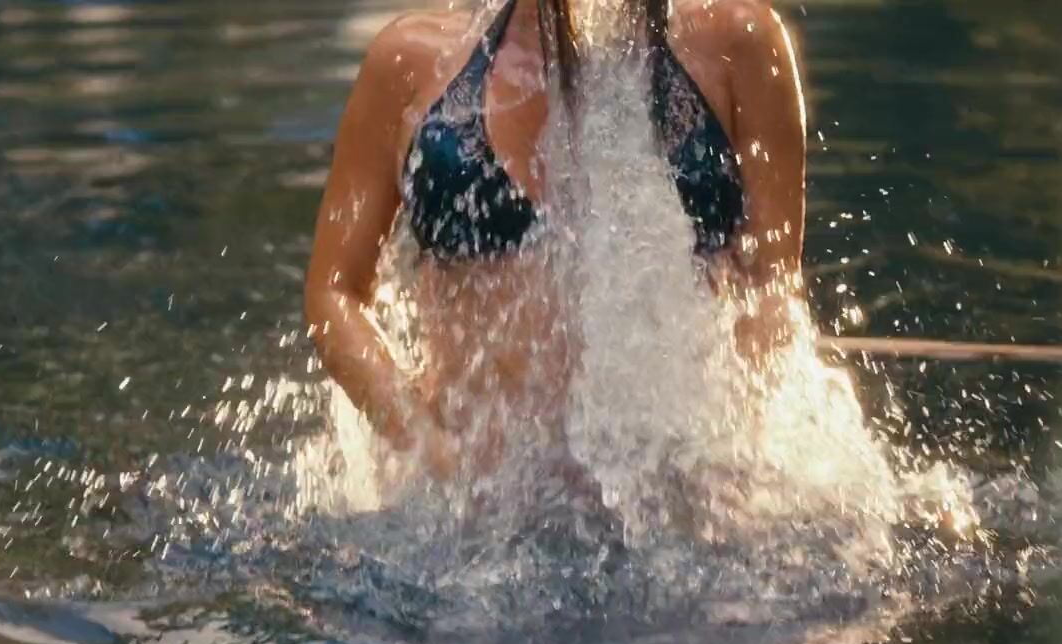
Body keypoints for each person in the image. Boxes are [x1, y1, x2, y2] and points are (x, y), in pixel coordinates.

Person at [304, 0, 806, 481]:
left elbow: (771, 289)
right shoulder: (411, 62)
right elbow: (334, 293)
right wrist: (431, 449)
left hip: (675, 487)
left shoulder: (739, 47)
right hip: (480, 500)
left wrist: (731, 450)